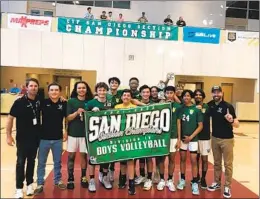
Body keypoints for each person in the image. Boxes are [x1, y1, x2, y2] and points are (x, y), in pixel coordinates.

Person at [6, 78, 41, 198]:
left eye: (35, 86)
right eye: (31, 86)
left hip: (35, 138)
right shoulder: (19, 102)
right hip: (22, 138)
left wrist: (62, 98)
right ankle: (19, 188)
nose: (33, 88)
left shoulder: (39, 101)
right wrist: (9, 135)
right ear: (26, 87)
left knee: (32, 161)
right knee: (21, 163)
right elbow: (10, 118)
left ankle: (30, 184)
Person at [34, 83, 67, 195]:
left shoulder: (63, 103)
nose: (54, 92)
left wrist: (66, 131)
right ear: (48, 92)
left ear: (60, 92)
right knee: (41, 162)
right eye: (52, 90)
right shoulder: (42, 102)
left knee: (57, 162)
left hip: (58, 138)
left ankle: (57, 180)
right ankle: (39, 183)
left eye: (56, 90)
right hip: (44, 138)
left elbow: (66, 119)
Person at [207, 86, 239, 198]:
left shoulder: (228, 106)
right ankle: (217, 182)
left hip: (227, 139)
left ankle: (227, 186)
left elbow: (237, 124)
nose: (216, 94)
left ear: (222, 93)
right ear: (212, 94)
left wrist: (231, 120)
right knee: (216, 163)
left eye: (218, 92)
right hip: (215, 138)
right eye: (214, 92)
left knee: (228, 164)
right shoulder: (210, 104)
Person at [85, 82, 116, 191]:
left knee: (106, 156)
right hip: (94, 135)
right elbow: (83, 116)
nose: (102, 92)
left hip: (107, 134)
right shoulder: (90, 103)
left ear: (106, 91)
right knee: (93, 158)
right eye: (100, 90)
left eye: (104, 90)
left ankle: (104, 177)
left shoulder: (110, 103)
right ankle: (92, 180)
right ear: (96, 91)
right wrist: (91, 112)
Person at [66, 81, 94, 190]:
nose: (81, 90)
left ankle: (83, 177)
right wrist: (77, 113)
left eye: (83, 88)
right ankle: (70, 178)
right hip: (73, 133)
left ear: (86, 89)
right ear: (76, 89)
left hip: (86, 134)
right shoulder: (71, 101)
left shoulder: (91, 102)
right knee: (71, 156)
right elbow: (68, 118)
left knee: (83, 156)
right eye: (79, 88)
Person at [176, 89, 203, 195]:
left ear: (191, 97)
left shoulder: (196, 109)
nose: (186, 97)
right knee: (182, 159)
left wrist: (191, 137)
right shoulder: (180, 109)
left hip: (193, 139)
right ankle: (182, 180)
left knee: (193, 161)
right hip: (183, 139)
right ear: (182, 97)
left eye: (188, 96)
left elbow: (200, 126)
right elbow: (178, 124)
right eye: (184, 96)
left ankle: (195, 182)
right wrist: (179, 139)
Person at [157, 86, 181, 192]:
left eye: (171, 93)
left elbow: (179, 123)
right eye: (167, 93)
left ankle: (170, 180)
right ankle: (162, 179)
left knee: (172, 159)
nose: (169, 95)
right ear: (165, 94)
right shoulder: (160, 105)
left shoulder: (178, 106)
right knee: (161, 159)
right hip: (162, 136)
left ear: (174, 94)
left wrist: (179, 139)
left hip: (173, 136)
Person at [115, 89, 136, 195]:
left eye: (128, 95)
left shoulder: (135, 107)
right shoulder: (117, 107)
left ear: (131, 97)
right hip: (120, 138)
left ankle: (131, 183)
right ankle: (122, 179)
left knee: (130, 160)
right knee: (122, 160)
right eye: (124, 95)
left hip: (132, 137)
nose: (126, 97)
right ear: (122, 97)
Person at [134, 85, 153, 189]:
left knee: (149, 158)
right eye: (144, 92)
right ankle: (142, 176)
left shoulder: (154, 104)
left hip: (150, 134)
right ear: (140, 93)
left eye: (147, 92)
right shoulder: (135, 103)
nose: (146, 94)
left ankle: (149, 178)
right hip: (138, 134)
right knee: (140, 156)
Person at [194, 89, 211, 189]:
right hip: (195, 137)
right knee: (195, 159)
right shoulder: (192, 107)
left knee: (204, 159)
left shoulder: (208, 107)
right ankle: (196, 177)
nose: (198, 96)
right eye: (196, 95)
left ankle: (203, 178)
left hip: (205, 137)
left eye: (200, 95)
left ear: (203, 97)